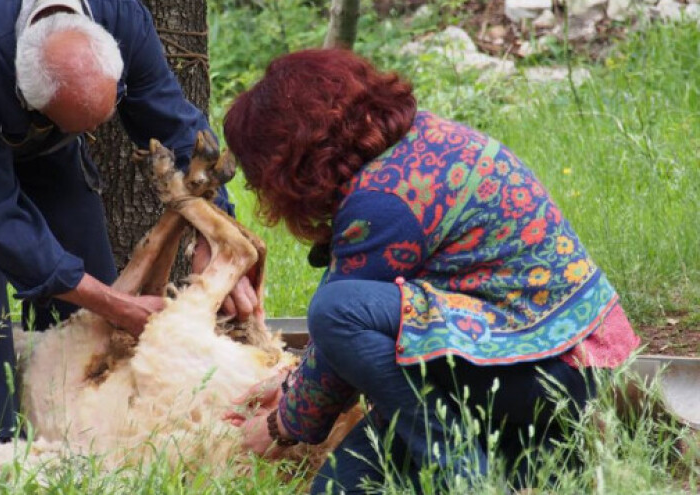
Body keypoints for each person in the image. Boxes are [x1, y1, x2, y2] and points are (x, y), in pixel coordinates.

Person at [0, 0, 258, 449]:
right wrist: (116, 306)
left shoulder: (123, 18)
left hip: (12, 81)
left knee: (76, 229)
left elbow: (178, 127)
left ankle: (68, 411)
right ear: (24, 92)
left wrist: (216, 231)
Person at [223, 49, 641, 493]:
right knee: (336, 488)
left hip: (550, 369)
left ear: (291, 158)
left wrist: (281, 425)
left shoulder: (385, 199)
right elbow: (354, 348)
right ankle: (525, 460)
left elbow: (341, 331)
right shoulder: (424, 140)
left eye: (259, 177)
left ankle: (467, 476)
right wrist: (291, 384)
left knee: (335, 311)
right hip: (550, 364)